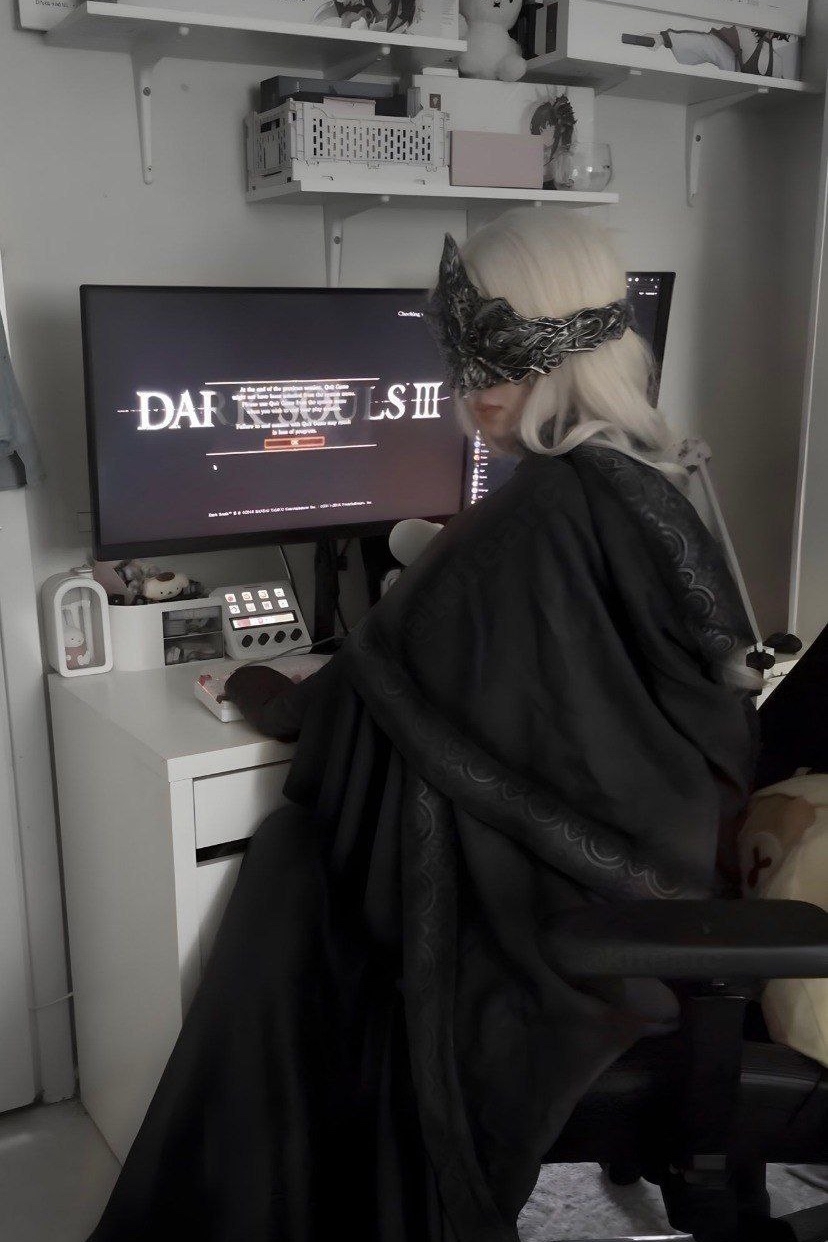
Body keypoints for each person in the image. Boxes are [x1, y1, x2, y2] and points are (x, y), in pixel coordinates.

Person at [88, 210, 758, 1242]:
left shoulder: (531, 520)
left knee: (291, 882)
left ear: (516, 363)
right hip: (668, 876)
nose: (462, 394)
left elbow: (369, 697)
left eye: (475, 363)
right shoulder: (650, 476)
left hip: (566, 927)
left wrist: (262, 687)